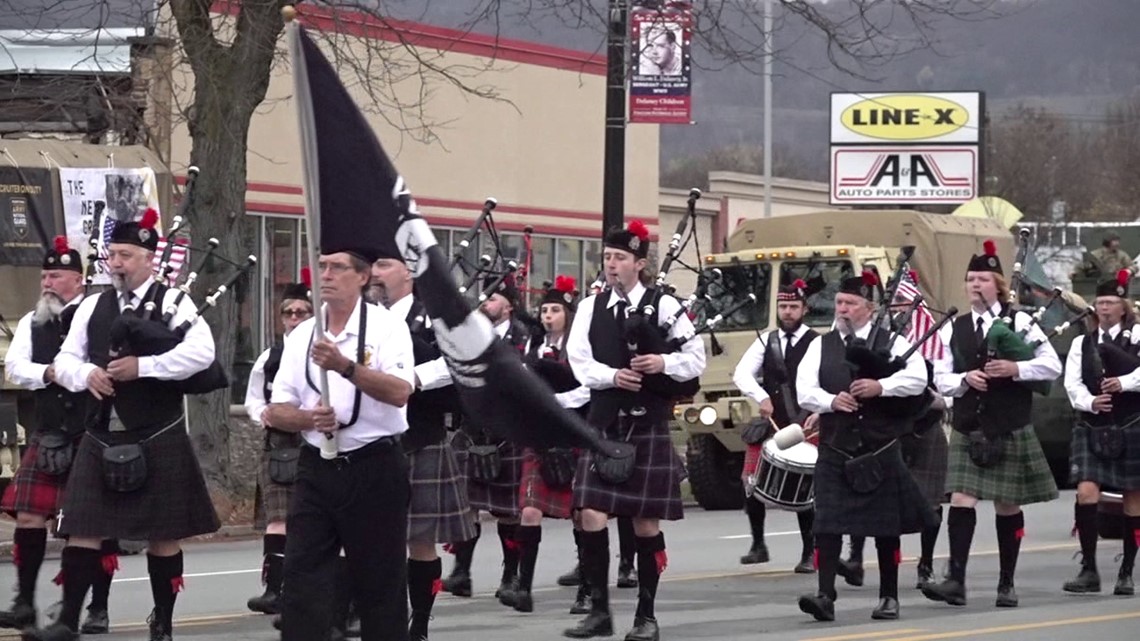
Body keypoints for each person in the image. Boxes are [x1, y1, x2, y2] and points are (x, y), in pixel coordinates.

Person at [24, 211, 221, 641]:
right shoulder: (94, 304)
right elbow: (66, 361)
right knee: (83, 527)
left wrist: (144, 367)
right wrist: (85, 376)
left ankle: (163, 623)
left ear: (150, 259)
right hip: (100, 430)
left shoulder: (173, 302)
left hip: (158, 431)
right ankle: (67, 622)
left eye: (126, 255)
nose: (116, 262)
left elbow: (203, 353)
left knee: (163, 536)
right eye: (112, 254)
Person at [564, 220, 706, 641]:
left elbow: (695, 357)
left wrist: (663, 363)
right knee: (589, 514)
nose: (611, 264)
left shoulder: (665, 305)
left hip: (647, 423)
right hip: (605, 423)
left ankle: (646, 616)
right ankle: (600, 612)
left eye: (620, 258)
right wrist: (612, 377)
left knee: (645, 524)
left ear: (639, 264)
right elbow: (579, 361)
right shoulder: (590, 307)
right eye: (607, 257)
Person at [264, 247, 415, 641]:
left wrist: (344, 367)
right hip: (317, 466)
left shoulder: (387, 328)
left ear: (362, 277)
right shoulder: (303, 335)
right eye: (323, 266)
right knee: (301, 580)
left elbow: (400, 391)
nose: (326, 275)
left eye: (337, 268)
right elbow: (276, 410)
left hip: (374, 466)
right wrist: (308, 418)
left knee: (379, 583)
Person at [926, 239, 1062, 608]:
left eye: (982, 279)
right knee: (960, 498)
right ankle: (955, 580)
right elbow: (941, 378)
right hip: (970, 426)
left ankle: (1007, 583)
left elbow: (1051, 366)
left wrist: (1015, 368)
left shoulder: (1020, 322)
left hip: (1009, 425)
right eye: (970, 278)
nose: (974, 285)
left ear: (998, 284)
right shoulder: (955, 327)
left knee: (1007, 505)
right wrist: (966, 378)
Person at [795, 269, 933, 622]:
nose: (842, 309)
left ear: (869, 308)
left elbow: (918, 379)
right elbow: (804, 390)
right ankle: (825, 596)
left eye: (850, 303)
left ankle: (889, 597)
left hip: (879, 448)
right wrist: (830, 401)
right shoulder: (820, 344)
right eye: (839, 302)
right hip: (835, 447)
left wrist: (880, 387)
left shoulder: (893, 341)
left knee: (886, 529)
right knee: (825, 525)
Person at [0, 237, 114, 635]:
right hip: (49, 432)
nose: (47, 282)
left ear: (78, 280)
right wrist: (47, 373)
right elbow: (14, 367)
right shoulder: (34, 321)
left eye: (56, 275)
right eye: (44, 275)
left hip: (91, 432)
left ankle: (95, 608)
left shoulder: (98, 315)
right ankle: (24, 602)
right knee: (29, 516)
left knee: (87, 524)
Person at [370, 256, 478, 640]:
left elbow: (462, 362)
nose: (375, 273)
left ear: (409, 272)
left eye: (383, 265)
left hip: (421, 435)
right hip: (370, 438)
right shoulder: (365, 318)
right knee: (368, 537)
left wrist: (411, 375)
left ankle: (420, 624)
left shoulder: (433, 318)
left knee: (419, 540)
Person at [839, 272, 952, 592]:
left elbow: (946, 388)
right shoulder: (879, 337)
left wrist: (922, 395)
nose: (900, 310)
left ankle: (926, 566)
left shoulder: (937, 334)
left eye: (906, 303)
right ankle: (856, 559)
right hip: (889, 429)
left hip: (926, 425)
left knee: (929, 502)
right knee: (869, 493)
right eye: (895, 303)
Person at [496, 276, 591, 614]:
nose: (548, 315)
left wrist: (555, 402)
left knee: (583, 516)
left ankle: (588, 590)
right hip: (540, 440)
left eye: (555, 309)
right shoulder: (533, 347)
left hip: (574, 435)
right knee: (530, 511)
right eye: (544, 310)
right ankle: (523, 587)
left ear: (568, 313)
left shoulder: (580, 347)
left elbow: (588, 389)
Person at [442, 275, 529, 600]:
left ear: (509, 306)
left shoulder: (522, 338)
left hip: (506, 431)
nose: (484, 303)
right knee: (466, 505)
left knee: (507, 510)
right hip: (471, 428)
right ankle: (461, 573)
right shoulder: (469, 336)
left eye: (493, 299)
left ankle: (510, 575)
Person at [731, 279, 819, 573]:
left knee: (805, 490)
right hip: (771, 423)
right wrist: (761, 396)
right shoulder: (766, 341)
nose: (788, 312)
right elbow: (742, 373)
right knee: (750, 483)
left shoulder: (817, 342)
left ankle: (809, 552)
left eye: (794, 306)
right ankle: (758, 545)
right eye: (783, 307)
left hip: (806, 425)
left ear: (805, 309)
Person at [1061, 268, 1138, 596]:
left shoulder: (1138, 336)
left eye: (1110, 302)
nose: (1104, 308)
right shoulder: (1083, 341)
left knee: (1133, 500)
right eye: (1100, 302)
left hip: (1132, 423)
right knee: (1086, 492)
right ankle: (1089, 568)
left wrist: (1125, 382)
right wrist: (1091, 402)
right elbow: (1071, 382)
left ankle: (1126, 571)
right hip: (1093, 424)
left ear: (1123, 306)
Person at [243, 271, 313, 617]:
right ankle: (274, 590)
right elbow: (253, 399)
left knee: (314, 522)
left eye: (302, 312)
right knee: (278, 519)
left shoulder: (322, 352)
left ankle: (310, 589)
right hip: (280, 444)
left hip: (315, 441)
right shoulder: (269, 356)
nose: (295, 318)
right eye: (289, 312)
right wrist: (265, 415)